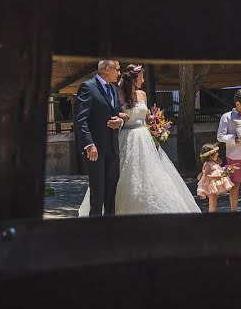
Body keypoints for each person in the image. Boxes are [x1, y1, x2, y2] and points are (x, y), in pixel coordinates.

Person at [79, 64, 200, 216]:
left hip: (145, 139)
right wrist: (120, 120)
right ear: (134, 79)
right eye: (141, 77)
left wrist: (157, 126)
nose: (143, 80)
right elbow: (110, 114)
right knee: (118, 180)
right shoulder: (117, 92)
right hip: (126, 139)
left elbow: (147, 116)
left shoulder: (142, 94)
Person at [73, 60, 124, 216]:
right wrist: (89, 145)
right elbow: (80, 119)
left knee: (110, 196)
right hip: (95, 150)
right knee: (98, 196)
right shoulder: (87, 87)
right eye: (117, 69)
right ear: (107, 69)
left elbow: (117, 112)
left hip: (113, 150)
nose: (119, 73)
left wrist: (120, 121)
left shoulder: (114, 89)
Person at [196, 142, 236, 213]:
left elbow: (219, 169)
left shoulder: (213, 163)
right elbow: (207, 176)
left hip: (213, 184)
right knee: (212, 202)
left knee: (214, 201)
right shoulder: (208, 164)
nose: (217, 154)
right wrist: (215, 177)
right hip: (210, 185)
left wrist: (228, 170)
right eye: (216, 153)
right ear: (210, 156)